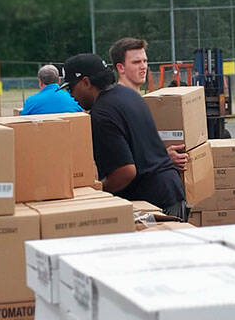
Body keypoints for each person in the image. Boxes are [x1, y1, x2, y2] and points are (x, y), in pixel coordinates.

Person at [63, 52, 189, 220]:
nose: (71, 95)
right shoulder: (128, 95)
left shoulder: (101, 114)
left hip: (153, 206)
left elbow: (125, 172)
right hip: (171, 193)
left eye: (71, 88)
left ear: (85, 82)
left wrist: (97, 193)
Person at [110, 36, 189, 170]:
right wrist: (164, 157)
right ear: (121, 68)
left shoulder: (141, 100)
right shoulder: (119, 104)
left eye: (145, 61)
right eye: (136, 62)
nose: (143, 67)